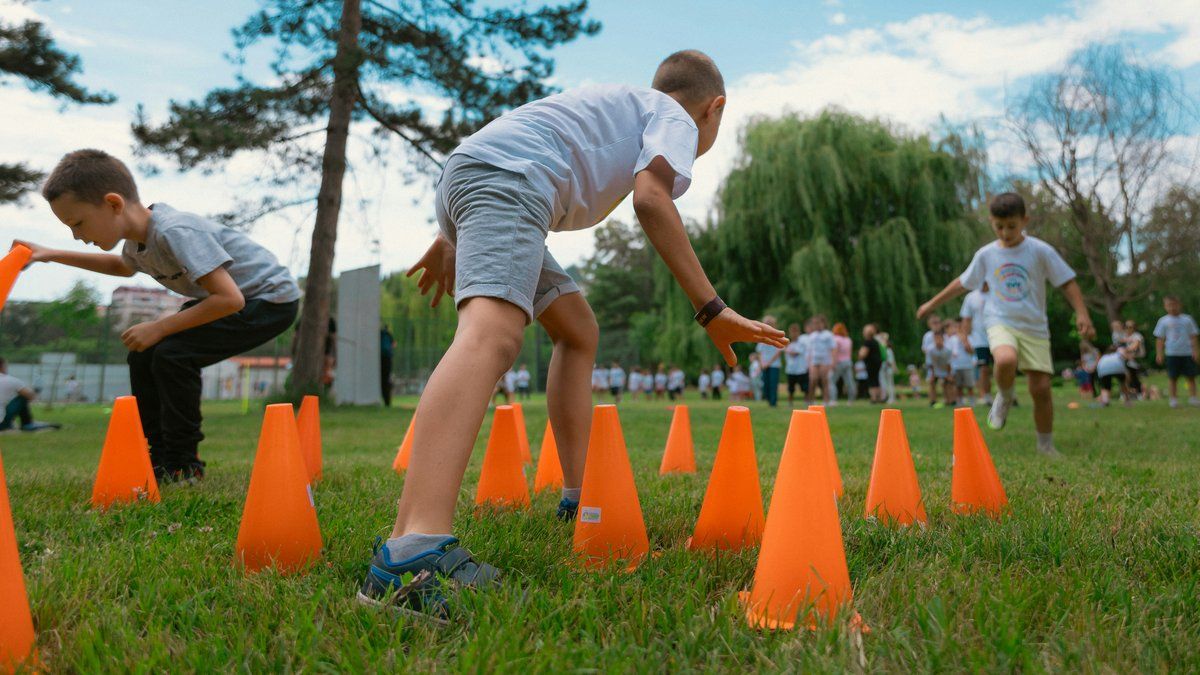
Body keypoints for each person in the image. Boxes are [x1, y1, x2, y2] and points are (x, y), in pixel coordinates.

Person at [360, 50, 786, 620]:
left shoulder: (624, 105)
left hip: (480, 173)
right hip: (509, 181)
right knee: (492, 336)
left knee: (577, 328)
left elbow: (518, 142)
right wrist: (712, 310)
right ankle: (412, 551)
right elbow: (651, 199)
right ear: (715, 108)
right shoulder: (675, 117)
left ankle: (580, 496)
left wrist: (450, 234)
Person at [18, 149, 299, 480]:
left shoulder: (174, 231)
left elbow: (230, 299)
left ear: (113, 204)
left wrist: (160, 327)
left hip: (269, 300)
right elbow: (122, 267)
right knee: (144, 354)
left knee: (173, 355)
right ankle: (157, 454)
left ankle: (183, 462)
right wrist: (51, 254)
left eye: (78, 223)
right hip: (234, 299)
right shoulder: (136, 242)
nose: (77, 235)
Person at [918, 192, 1094, 457]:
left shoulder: (1040, 250)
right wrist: (932, 304)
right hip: (1000, 321)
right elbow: (962, 283)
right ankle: (1004, 395)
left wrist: (1082, 313)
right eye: (998, 226)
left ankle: (1045, 445)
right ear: (991, 222)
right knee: (1005, 359)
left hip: (1034, 326)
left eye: (1012, 226)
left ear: (1025, 220)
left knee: (1041, 389)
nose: (1005, 232)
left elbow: (1067, 282)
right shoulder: (986, 254)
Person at [1153, 295, 1199, 408]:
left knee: (1191, 376)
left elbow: (1193, 336)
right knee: (1172, 377)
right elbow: (1160, 339)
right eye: (1169, 305)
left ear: (1179, 305)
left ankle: (1193, 398)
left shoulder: (1187, 319)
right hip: (1171, 353)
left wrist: (1196, 351)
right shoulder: (1163, 321)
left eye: (1174, 305)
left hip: (1187, 353)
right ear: (1165, 306)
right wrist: (1159, 353)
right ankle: (1173, 400)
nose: (1172, 307)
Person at [0, 358, 60, 433]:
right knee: (22, 397)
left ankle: (22, 423)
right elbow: (31, 396)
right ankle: (27, 423)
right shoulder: (11, 380)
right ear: (3, 366)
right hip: (1, 424)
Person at [960, 283, 993, 404]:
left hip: (998, 337)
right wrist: (965, 340)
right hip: (980, 339)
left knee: (1003, 366)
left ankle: (1007, 395)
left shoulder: (997, 293)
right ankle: (987, 396)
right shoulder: (971, 297)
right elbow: (966, 320)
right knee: (984, 368)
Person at [754, 316, 782, 406]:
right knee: (766, 384)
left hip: (774, 365)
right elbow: (759, 352)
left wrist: (769, 363)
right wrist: (762, 363)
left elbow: (778, 352)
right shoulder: (761, 337)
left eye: (769, 324)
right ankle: (769, 400)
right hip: (764, 365)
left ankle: (773, 403)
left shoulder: (777, 336)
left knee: (773, 384)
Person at [808, 316, 836, 405]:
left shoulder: (828, 334)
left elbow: (833, 348)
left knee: (824, 380)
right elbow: (809, 350)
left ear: (823, 324)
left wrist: (833, 361)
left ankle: (826, 400)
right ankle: (811, 400)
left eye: (819, 323)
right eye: (815, 324)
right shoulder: (812, 335)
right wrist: (808, 362)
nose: (817, 325)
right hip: (814, 360)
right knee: (813, 379)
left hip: (825, 360)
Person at [949, 320, 977, 406]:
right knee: (958, 386)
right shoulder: (952, 339)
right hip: (956, 366)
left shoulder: (970, 338)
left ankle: (972, 403)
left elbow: (971, 351)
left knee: (969, 386)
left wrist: (964, 341)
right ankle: (960, 402)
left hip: (967, 365)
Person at [783, 322, 809, 407]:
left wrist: (786, 350)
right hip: (791, 369)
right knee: (791, 388)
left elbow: (795, 353)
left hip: (801, 369)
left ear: (799, 333)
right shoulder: (788, 344)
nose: (794, 334)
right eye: (792, 332)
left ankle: (806, 401)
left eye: (796, 332)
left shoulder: (801, 343)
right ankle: (790, 402)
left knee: (805, 387)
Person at [829, 322, 856, 404]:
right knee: (849, 382)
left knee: (831, 381)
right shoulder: (848, 340)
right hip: (848, 362)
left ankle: (833, 400)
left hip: (838, 362)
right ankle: (851, 400)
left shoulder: (835, 339)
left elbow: (835, 352)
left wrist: (833, 363)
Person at [927, 331, 954, 408]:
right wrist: (932, 375)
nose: (938, 340)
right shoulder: (931, 350)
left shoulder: (948, 350)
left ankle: (950, 401)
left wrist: (949, 375)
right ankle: (933, 401)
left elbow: (949, 364)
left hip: (945, 371)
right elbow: (930, 364)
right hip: (935, 371)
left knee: (948, 384)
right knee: (932, 383)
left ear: (943, 339)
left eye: (939, 339)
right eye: (936, 339)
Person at [921, 315, 943, 405]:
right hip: (932, 362)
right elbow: (924, 349)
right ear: (929, 324)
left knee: (946, 382)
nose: (936, 325)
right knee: (932, 381)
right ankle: (933, 400)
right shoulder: (928, 336)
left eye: (938, 322)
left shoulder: (943, 334)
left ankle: (949, 400)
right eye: (934, 323)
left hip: (943, 362)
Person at [858, 323, 884, 403]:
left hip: (871, 364)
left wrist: (859, 355)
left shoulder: (867, 342)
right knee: (876, 380)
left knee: (872, 381)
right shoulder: (875, 341)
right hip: (877, 363)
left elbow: (862, 354)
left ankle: (873, 398)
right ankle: (879, 397)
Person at [1122, 320, 1145, 399]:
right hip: (1127, 360)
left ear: (1134, 328)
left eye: (1130, 327)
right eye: (1126, 327)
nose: (1128, 329)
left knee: (1134, 377)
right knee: (1126, 377)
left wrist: (1123, 350)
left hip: (1137, 360)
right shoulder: (1124, 336)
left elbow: (1135, 346)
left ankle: (1139, 394)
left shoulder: (1137, 336)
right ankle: (1127, 394)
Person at [878, 331, 898, 404]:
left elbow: (891, 361)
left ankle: (891, 398)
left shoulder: (888, 350)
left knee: (889, 384)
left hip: (888, 369)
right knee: (887, 384)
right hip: (886, 369)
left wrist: (893, 367)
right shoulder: (887, 350)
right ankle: (889, 398)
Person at [380, 325, 396, 407]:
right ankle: (387, 401)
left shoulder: (380, 334)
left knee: (382, 380)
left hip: (380, 358)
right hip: (388, 359)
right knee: (386, 379)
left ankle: (384, 399)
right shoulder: (388, 335)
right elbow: (394, 344)